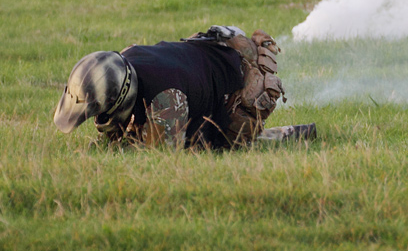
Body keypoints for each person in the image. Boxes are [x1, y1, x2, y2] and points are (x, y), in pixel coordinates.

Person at [54, 26, 287, 149]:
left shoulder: (167, 98)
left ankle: (273, 137)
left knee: (206, 145)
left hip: (245, 80)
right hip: (203, 57)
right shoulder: (124, 57)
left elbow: (160, 156)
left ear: (121, 99)